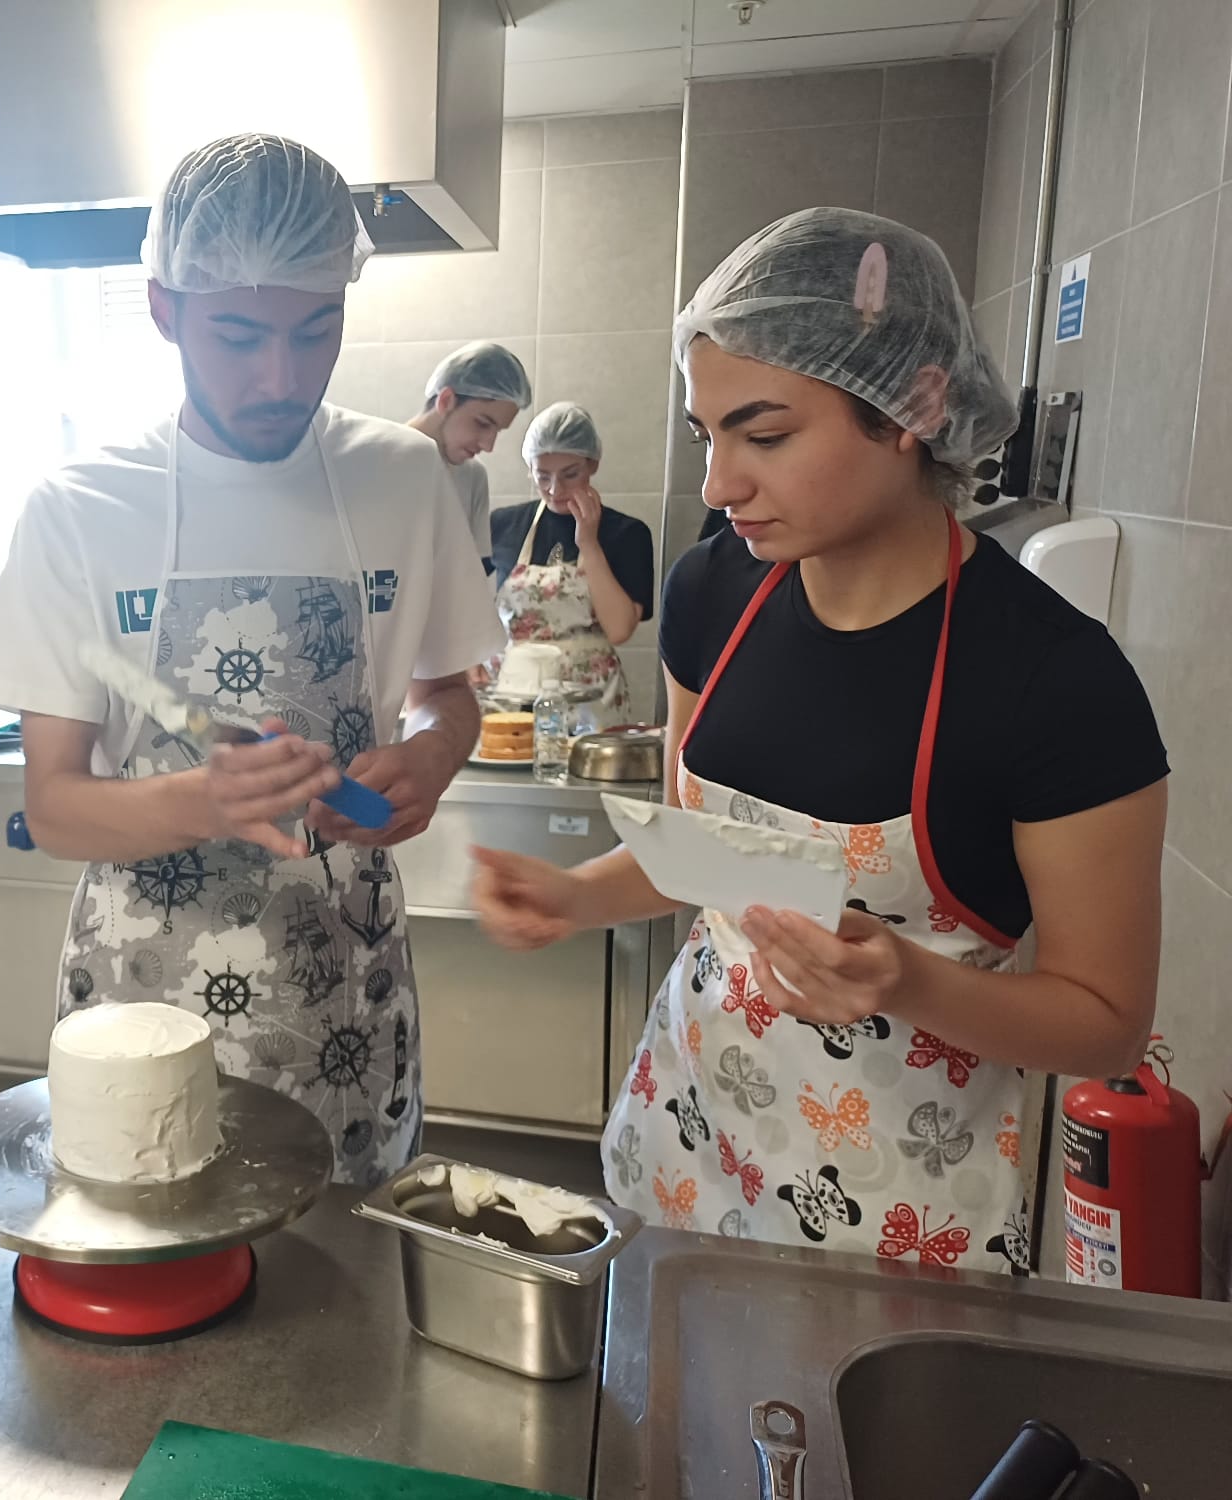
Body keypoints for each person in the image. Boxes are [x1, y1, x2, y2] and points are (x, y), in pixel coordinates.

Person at [473, 208, 1167, 1270]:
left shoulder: (1053, 680)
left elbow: (1106, 1021)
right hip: (683, 1145)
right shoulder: (712, 591)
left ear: (914, 406)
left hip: (894, 1218)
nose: (719, 485)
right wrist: (570, 897)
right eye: (707, 436)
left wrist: (907, 982)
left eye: (764, 436)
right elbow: (702, 853)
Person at [0, 134, 503, 1186]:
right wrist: (206, 800)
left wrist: (433, 757)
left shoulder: (403, 478)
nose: (280, 377)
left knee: (350, 1264)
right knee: (156, 1248)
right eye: (237, 334)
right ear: (163, 309)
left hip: (345, 981)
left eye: (316, 330)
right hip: (144, 999)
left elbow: (447, 693)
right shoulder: (80, 509)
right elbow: (56, 806)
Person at [486, 402, 655, 719]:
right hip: (510, 696)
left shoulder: (628, 533)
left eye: (570, 474)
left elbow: (619, 630)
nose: (555, 489)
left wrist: (588, 543)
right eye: (542, 476)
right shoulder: (503, 525)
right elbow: (461, 600)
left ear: (593, 464)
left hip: (590, 703)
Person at [408, 341, 532, 574]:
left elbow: (474, 573)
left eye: (498, 431)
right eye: (483, 423)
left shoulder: (473, 476)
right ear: (446, 400)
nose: (488, 445)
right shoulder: (383, 460)